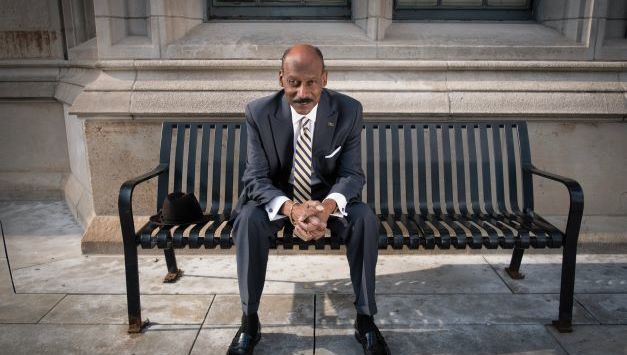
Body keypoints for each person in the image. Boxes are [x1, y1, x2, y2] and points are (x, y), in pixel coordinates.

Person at [228, 44, 390, 355]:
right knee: (248, 219)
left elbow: (353, 175)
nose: (303, 92)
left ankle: (366, 318)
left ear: (325, 79)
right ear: (281, 80)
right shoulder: (259, 113)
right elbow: (255, 179)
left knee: (365, 219)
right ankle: (249, 319)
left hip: (327, 200)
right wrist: (291, 209)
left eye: (311, 82)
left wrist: (326, 208)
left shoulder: (348, 110)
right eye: (294, 82)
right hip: (278, 200)